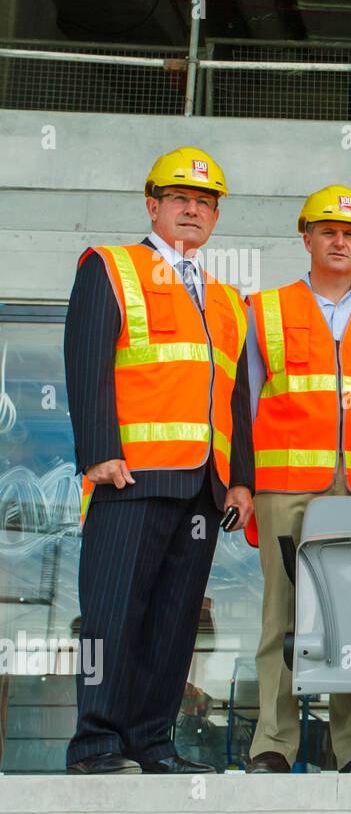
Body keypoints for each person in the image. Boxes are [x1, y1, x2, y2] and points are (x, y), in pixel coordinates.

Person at [64, 146, 254, 775]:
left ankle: (152, 740)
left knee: (174, 624)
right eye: (181, 199)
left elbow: (235, 395)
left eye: (204, 202)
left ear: (216, 217)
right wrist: (98, 454)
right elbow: (87, 358)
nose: (193, 210)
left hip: (202, 487)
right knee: (112, 616)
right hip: (132, 478)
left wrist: (240, 482)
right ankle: (96, 743)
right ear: (153, 205)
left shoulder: (227, 299)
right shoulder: (110, 268)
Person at [243, 185, 351, 773]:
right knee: (281, 618)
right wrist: (244, 484)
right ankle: (273, 745)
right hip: (285, 485)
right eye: (329, 231)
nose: (341, 241)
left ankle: (350, 752)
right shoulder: (265, 309)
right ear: (306, 238)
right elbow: (248, 402)